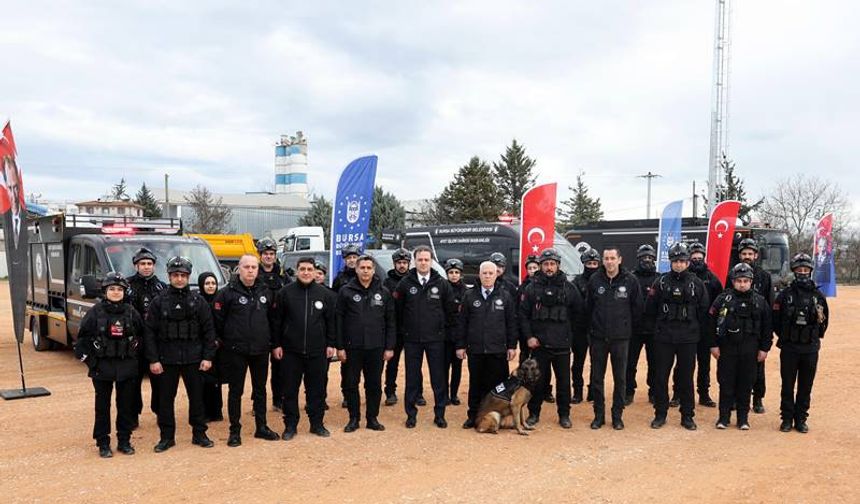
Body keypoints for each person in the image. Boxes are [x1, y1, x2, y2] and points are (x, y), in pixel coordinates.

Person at [145, 257, 217, 452]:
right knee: (165, 401)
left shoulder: (197, 301)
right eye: (175, 275)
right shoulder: (158, 302)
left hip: (194, 359)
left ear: (188, 277)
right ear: (169, 276)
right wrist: (153, 360)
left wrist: (208, 357)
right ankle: (167, 438)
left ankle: (199, 434)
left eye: (183, 276)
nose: (179, 279)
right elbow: (149, 332)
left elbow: (209, 331)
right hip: (166, 359)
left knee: (197, 399)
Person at [74, 272, 148, 458]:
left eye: (119, 289)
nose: (116, 292)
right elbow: (81, 341)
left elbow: (143, 337)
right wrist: (91, 362)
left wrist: (137, 359)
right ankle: (103, 443)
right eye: (112, 289)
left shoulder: (132, 312)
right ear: (105, 291)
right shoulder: (95, 312)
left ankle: (124, 441)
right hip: (102, 367)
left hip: (126, 367)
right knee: (102, 407)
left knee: (125, 406)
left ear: (125, 291)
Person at [212, 255, 281, 447]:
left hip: (260, 350)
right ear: (239, 269)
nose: (250, 270)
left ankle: (262, 427)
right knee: (236, 391)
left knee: (260, 390)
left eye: (253, 267)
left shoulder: (266, 291)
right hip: (236, 350)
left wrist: (274, 344)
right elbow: (218, 322)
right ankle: (235, 431)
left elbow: (273, 321)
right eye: (246, 267)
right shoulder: (226, 293)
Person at [271, 257, 337, 440]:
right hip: (291, 351)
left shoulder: (325, 294)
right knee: (290, 390)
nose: (306, 272)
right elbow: (277, 321)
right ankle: (290, 425)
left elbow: (331, 321)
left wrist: (331, 343)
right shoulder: (285, 293)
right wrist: (276, 344)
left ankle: (317, 424)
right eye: (302, 269)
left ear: (315, 272)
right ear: (297, 271)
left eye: (309, 269)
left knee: (316, 390)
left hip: (318, 351)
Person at [646, 243, 710, 430]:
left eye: (682, 261)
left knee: (685, 378)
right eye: (675, 261)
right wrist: (656, 331)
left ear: (688, 262)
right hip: (664, 338)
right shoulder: (661, 282)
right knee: (660, 377)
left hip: (688, 338)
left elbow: (704, 311)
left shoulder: (696, 283)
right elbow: (649, 310)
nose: (679, 265)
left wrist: (698, 334)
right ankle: (660, 414)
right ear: (670, 262)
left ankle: (687, 416)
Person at [519, 248, 584, 429]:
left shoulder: (569, 288)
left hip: (562, 345)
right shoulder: (531, 288)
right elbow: (523, 315)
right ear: (540, 266)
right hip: (539, 345)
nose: (549, 267)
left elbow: (579, 315)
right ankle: (534, 414)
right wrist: (529, 337)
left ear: (558, 266)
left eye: (552, 264)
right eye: (546, 264)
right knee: (537, 383)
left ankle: (564, 415)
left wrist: (570, 336)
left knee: (563, 383)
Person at [393, 245, 456, 429]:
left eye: (426, 260)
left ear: (431, 261)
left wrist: (445, 334)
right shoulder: (405, 283)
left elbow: (450, 311)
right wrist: (404, 333)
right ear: (415, 261)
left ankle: (440, 414)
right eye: (419, 259)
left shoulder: (441, 283)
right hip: (412, 340)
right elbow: (398, 311)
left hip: (436, 340)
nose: (423, 263)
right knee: (412, 379)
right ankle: (411, 415)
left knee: (438, 378)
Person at [335, 255, 396, 432]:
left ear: (374, 270)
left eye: (369, 268)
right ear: (356, 269)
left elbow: (391, 321)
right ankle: (354, 418)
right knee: (351, 383)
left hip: (376, 347)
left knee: (374, 384)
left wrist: (389, 347)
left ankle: (372, 418)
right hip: (352, 347)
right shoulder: (346, 291)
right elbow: (338, 320)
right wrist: (340, 346)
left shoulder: (383, 292)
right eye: (362, 268)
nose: (366, 271)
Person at [709, 263, 773, 430]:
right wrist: (713, 345)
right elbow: (710, 323)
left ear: (751, 281)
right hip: (727, 347)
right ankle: (723, 418)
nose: (742, 284)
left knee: (746, 383)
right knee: (726, 382)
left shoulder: (760, 302)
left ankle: (743, 419)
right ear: (733, 281)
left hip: (750, 348)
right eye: (739, 281)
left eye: (745, 280)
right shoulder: (723, 299)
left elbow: (767, 327)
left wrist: (764, 349)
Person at [585, 246, 642, 430]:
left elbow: (637, 309)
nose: (609, 262)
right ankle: (599, 416)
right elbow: (588, 308)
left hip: (621, 338)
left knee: (620, 378)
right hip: (598, 338)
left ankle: (617, 416)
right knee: (596, 378)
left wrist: (627, 330)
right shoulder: (595, 280)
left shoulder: (630, 281)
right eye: (606, 258)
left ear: (620, 260)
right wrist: (592, 331)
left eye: (612, 258)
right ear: (603, 261)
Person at [773, 253, 829, 433]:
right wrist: (786, 335)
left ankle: (801, 419)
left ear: (810, 271)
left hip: (810, 348)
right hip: (789, 347)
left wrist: (812, 337)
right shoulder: (785, 295)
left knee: (806, 385)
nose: (803, 273)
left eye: (806, 270)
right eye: (799, 270)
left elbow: (824, 321)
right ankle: (787, 419)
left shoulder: (818, 295)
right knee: (787, 385)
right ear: (794, 271)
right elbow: (776, 320)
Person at [459, 261, 518, 429]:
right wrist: (461, 346)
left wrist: (512, 346)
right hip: (476, 349)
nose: (487, 276)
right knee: (476, 384)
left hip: (498, 350)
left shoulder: (505, 295)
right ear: (479, 274)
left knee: (499, 386)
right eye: (484, 273)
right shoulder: (470, 295)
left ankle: (499, 416)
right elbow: (462, 322)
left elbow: (511, 323)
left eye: (490, 273)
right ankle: (473, 416)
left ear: (496, 275)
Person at [674, 241, 723, 408]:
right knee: (682, 363)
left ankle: (704, 394)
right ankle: (677, 394)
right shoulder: (681, 278)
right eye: (693, 258)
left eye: (699, 258)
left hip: (704, 328)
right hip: (684, 328)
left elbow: (720, 303)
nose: (696, 260)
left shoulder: (713, 280)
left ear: (704, 258)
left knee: (704, 364)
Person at [126, 247, 167, 428]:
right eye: (142, 264)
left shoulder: (162, 287)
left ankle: (160, 413)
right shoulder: (126, 287)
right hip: (135, 341)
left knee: (159, 381)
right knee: (132, 382)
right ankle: (133, 415)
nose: (146, 267)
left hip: (157, 343)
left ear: (154, 266)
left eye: (149, 264)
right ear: (136, 266)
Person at [733, 238, 774, 414]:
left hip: (756, 330)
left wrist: (767, 334)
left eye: (750, 253)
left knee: (758, 367)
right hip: (736, 328)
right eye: (744, 253)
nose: (747, 256)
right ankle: (736, 398)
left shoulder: (764, 277)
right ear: (739, 255)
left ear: (756, 255)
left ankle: (757, 399)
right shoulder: (732, 274)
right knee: (735, 366)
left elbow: (770, 306)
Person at [383, 248, 425, 406]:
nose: (402, 265)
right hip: (394, 329)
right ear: (394, 264)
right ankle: (390, 392)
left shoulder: (414, 280)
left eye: (405, 263)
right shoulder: (387, 282)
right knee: (392, 363)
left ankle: (418, 393)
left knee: (415, 363)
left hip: (412, 328)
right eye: (399, 263)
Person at [257, 237, 290, 412]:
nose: (269, 257)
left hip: (280, 327)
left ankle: (279, 399)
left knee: (280, 366)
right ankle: (258, 402)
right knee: (259, 369)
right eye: (265, 254)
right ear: (260, 255)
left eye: (271, 254)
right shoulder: (254, 274)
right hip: (260, 326)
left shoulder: (283, 276)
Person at [627, 244, 658, 405]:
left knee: (655, 363)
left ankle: (653, 392)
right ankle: (628, 391)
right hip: (634, 329)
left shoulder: (660, 278)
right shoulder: (630, 278)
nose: (647, 260)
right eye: (643, 258)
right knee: (629, 363)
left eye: (650, 258)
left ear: (654, 259)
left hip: (654, 329)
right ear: (638, 259)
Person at [571, 248, 600, 404]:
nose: (592, 266)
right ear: (584, 264)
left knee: (596, 363)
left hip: (597, 328)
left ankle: (593, 392)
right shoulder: (576, 282)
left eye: (595, 263)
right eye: (589, 263)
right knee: (578, 362)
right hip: (579, 329)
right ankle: (577, 391)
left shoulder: (602, 281)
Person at [197, 271, 223, 423]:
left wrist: (218, 341)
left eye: (213, 283)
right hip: (201, 348)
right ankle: (204, 412)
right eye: (207, 283)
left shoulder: (220, 301)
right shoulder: (197, 301)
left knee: (215, 382)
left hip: (217, 347)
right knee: (202, 381)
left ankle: (216, 411)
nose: (210, 286)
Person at [444, 258, 467, 406]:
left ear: (461, 274)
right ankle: (444, 395)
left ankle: (454, 394)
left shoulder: (466, 291)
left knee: (457, 368)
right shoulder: (442, 288)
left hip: (459, 335)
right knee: (443, 367)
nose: (453, 275)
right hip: (445, 335)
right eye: (451, 272)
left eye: (456, 272)